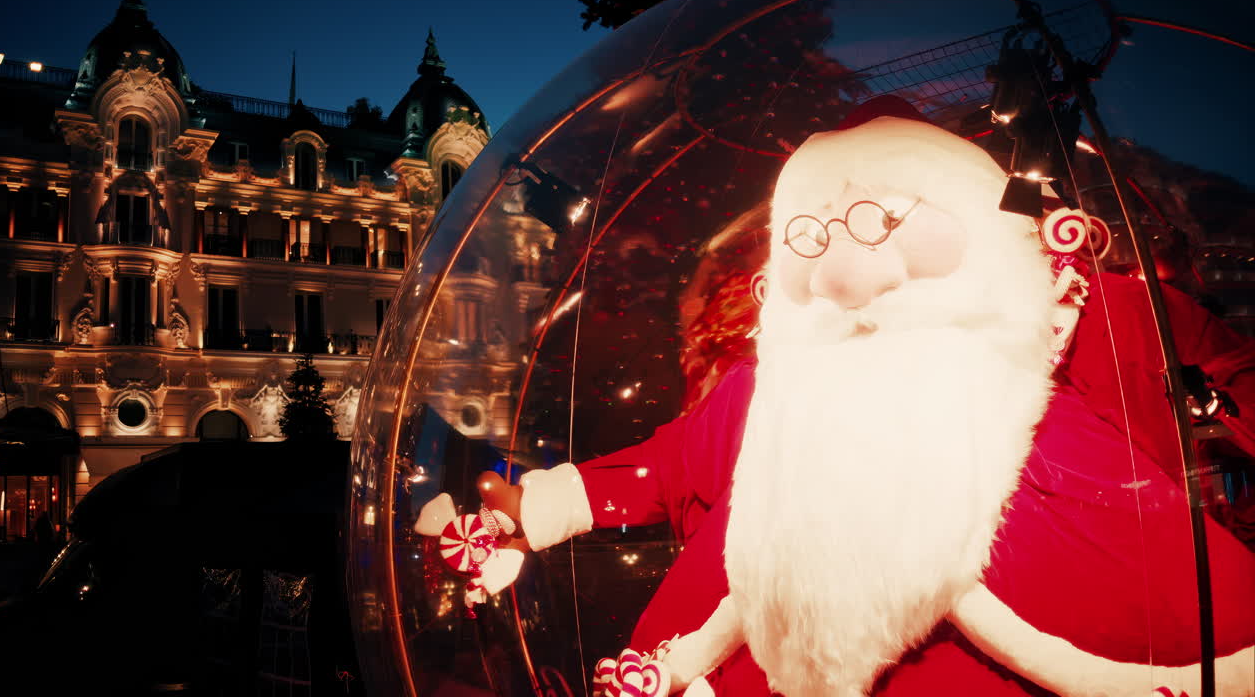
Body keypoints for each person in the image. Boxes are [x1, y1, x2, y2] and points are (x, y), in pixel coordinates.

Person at [444, 101, 1255, 696]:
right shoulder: (776, 387)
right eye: (815, 235)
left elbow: (1203, 383)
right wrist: (541, 506)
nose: (848, 270)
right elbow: (668, 465)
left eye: (881, 221)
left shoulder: (1050, 340)